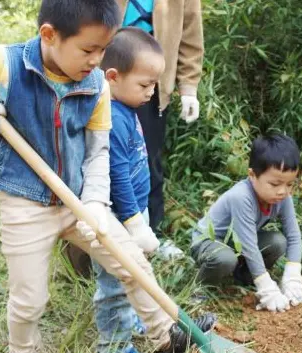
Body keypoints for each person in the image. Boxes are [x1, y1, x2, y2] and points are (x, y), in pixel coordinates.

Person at [0, 1, 210, 352]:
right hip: (25, 204)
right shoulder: (8, 64)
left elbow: (98, 152)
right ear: (49, 35)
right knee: (29, 302)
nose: (97, 61)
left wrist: (94, 203)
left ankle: (166, 337)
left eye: (104, 50)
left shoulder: (97, 84)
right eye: (89, 50)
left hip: (77, 199)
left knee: (131, 262)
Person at [92, 27, 216, 353]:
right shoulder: (110, 119)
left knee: (137, 275)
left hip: (134, 210)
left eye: (154, 85)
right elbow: (116, 174)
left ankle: (138, 322)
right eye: (145, 85)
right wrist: (133, 219)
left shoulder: (126, 108)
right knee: (114, 285)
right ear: (113, 77)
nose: (151, 92)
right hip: (117, 217)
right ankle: (113, 345)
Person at [117, 0, 205, 259]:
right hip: (105, 76)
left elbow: (190, 34)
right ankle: (100, 240)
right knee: (99, 159)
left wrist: (188, 88)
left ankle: (151, 234)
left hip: (152, 85)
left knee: (149, 161)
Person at [190, 134, 302, 312]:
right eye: (275, 183)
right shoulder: (241, 197)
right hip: (208, 242)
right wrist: (266, 286)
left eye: (289, 184)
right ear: (252, 175)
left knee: (278, 242)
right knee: (225, 258)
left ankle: (244, 276)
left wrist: (293, 274)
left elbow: (293, 236)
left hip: (237, 243)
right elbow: (248, 245)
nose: (282, 191)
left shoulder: (283, 197)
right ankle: (199, 289)